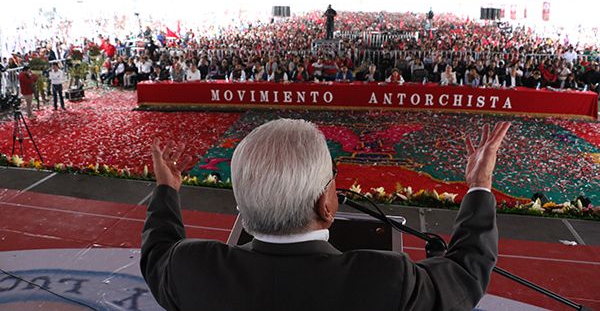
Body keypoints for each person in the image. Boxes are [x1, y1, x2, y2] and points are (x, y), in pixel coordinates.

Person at [141, 119, 511, 311]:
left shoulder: (188, 269)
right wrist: (480, 184)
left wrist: (166, 189)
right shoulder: (387, 279)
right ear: (327, 206)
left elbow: (156, 248)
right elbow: (465, 272)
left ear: (243, 205)